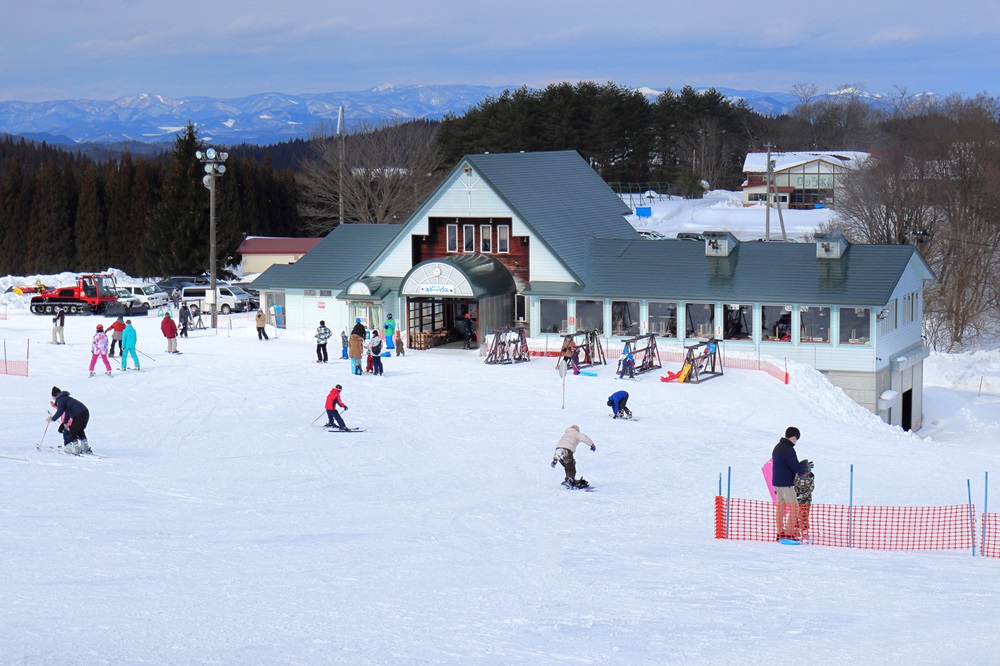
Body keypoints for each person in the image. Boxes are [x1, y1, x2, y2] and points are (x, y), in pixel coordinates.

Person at [771, 426, 811, 540]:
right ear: (793, 437)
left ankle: (780, 532)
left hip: (777, 482)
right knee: (794, 508)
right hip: (786, 484)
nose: (796, 442)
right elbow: (795, 467)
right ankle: (789, 533)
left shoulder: (777, 447)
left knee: (781, 507)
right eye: (796, 439)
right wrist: (804, 469)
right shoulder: (788, 449)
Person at [48, 386, 92, 454]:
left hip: (79, 414)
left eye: (53, 397)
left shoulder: (61, 400)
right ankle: (85, 446)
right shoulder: (65, 398)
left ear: (55, 395)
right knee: (79, 430)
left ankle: (76, 448)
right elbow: (68, 412)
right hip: (85, 413)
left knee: (73, 432)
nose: (53, 399)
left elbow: (60, 411)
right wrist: (65, 422)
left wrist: (52, 419)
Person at [550, 425, 596, 489]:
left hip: (558, 450)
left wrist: (555, 459)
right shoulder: (576, 433)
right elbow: (585, 438)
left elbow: (561, 446)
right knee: (571, 467)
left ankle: (568, 479)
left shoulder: (565, 435)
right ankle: (569, 480)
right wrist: (592, 445)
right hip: (567, 451)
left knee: (567, 466)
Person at [795, 460, 816, 533]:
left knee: (804, 514)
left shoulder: (811, 478)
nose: (808, 473)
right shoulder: (796, 476)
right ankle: (795, 530)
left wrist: (802, 495)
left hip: (806, 499)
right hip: (796, 499)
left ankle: (804, 530)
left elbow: (811, 488)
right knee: (795, 515)